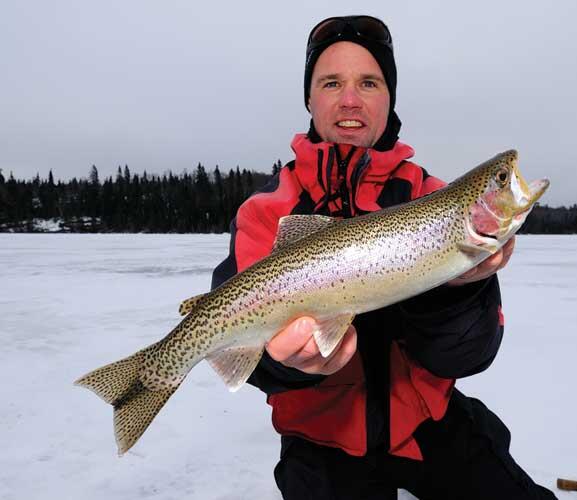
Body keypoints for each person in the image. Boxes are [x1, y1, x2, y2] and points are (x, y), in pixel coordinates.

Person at [211, 15, 556, 500]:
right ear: (309, 99)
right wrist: (288, 364)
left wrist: (459, 291)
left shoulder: (433, 199)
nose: (350, 100)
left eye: (368, 82)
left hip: (429, 422)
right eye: (331, 83)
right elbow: (250, 360)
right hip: (320, 440)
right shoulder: (265, 210)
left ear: (389, 98)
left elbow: (469, 354)